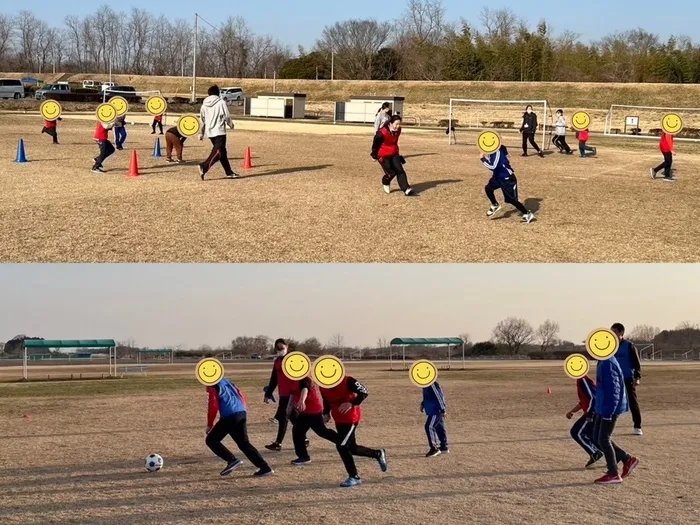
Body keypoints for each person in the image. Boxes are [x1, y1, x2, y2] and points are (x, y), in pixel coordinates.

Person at [320, 375, 388, 487]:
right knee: (352, 448)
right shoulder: (322, 384)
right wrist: (326, 413)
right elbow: (326, 399)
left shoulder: (347, 380)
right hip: (338, 419)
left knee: (342, 446)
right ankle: (377, 454)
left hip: (351, 418)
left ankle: (354, 476)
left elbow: (364, 392)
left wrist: (352, 403)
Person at [205, 376, 274, 477]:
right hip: (240, 412)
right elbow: (240, 394)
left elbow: (213, 405)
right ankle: (265, 468)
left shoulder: (212, 384)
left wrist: (210, 424)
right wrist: (242, 410)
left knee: (211, 440)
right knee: (244, 443)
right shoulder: (226, 380)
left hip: (230, 415)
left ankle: (232, 460)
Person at [591, 348, 639, 485]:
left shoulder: (608, 363)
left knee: (603, 438)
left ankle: (613, 473)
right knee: (596, 436)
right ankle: (627, 459)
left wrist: (609, 411)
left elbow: (614, 390)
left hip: (609, 408)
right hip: (603, 406)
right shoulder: (603, 361)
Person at [287, 375, 341, 468]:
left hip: (313, 410)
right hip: (305, 412)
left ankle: (343, 442)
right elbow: (292, 392)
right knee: (299, 431)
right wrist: (289, 405)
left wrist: (302, 401)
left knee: (321, 431)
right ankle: (303, 457)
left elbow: (305, 389)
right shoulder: (293, 379)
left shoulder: (306, 378)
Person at [264, 339, 308, 451]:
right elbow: (274, 379)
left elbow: (303, 376)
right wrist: (268, 393)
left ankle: (278, 443)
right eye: (277, 348)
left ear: (287, 347)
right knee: (294, 418)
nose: (280, 351)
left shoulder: (293, 360)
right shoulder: (277, 361)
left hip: (292, 394)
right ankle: (304, 438)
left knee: (283, 418)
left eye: (282, 348)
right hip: (283, 394)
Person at [480, 144, 535, 224]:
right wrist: (506, 153)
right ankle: (495, 204)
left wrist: (483, 159)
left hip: (507, 178)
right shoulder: (496, 149)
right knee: (488, 189)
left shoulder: (497, 152)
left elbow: (492, 167)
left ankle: (527, 214)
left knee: (511, 200)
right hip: (497, 177)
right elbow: (503, 147)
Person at [370, 115, 416, 196]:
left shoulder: (398, 130)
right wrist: (374, 155)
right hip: (383, 155)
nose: (398, 126)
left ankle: (406, 189)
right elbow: (375, 145)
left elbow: (394, 142)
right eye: (396, 124)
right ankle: (385, 182)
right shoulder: (381, 133)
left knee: (400, 170)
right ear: (390, 123)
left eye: (399, 124)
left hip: (394, 153)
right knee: (391, 173)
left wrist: (398, 155)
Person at [610, 323, 643, 435]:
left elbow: (636, 363)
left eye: (614, 332)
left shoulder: (629, 346)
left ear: (621, 333)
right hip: (613, 379)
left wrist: (637, 377)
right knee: (611, 403)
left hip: (627, 378)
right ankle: (608, 427)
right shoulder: (609, 346)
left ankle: (637, 426)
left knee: (632, 402)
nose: (612, 334)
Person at [198, 85, 237, 180]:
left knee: (222, 153)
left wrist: (201, 133)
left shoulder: (204, 105)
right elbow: (226, 116)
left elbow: (202, 120)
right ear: (218, 93)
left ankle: (229, 172)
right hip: (219, 131)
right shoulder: (221, 102)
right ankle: (204, 166)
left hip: (210, 132)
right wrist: (231, 124)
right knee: (219, 152)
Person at [566, 372, 603, 468]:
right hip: (593, 412)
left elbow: (592, 398)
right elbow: (584, 400)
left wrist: (590, 414)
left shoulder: (583, 379)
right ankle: (614, 456)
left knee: (576, 432)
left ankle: (595, 452)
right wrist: (572, 411)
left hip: (593, 413)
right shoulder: (581, 380)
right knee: (592, 436)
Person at [421, 380, 449, 457]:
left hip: (436, 409)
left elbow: (439, 395)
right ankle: (444, 447)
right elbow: (428, 395)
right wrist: (423, 404)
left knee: (429, 426)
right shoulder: (424, 383)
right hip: (432, 409)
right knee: (438, 426)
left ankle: (434, 448)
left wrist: (443, 409)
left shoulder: (431, 383)